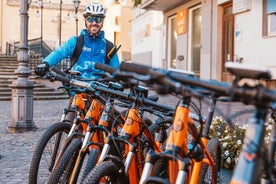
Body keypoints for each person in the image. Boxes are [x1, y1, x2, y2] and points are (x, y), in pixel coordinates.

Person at [35, 2, 120, 78]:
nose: (94, 23)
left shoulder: (109, 46)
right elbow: (59, 52)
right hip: (77, 87)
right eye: (90, 19)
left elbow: (116, 71)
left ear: (102, 21)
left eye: (98, 19)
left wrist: (118, 81)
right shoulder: (75, 41)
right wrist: (46, 63)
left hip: (99, 91)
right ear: (85, 20)